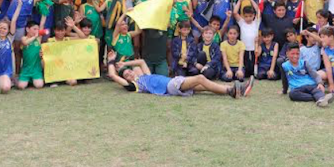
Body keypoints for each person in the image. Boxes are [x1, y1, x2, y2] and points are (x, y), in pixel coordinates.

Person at [108, 58, 253, 98]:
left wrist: (124, 63)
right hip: (170, 85)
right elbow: (113, 75)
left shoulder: (145, 76)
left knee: (203, 87)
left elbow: (141, 62)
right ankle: (231, 90)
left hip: (172, 84)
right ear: (127, 80)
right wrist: (111, 62)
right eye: (127, 76)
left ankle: (236, 91)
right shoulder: (136, 85)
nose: (130, 74)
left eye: (129, 72)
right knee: (201, 78)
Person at [16, 21, 45, 90]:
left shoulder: (38, 39)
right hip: (26, 70)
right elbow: (25, 43)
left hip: (36, 70)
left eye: (38, 29)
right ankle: (18, 78)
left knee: (39, 85)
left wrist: (45, 12)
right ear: (27, 29)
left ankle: (33, 80)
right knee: (21, 86)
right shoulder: (24, 38)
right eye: (34, 29)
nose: (37, 31)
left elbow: (42, 24)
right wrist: (35, 36)